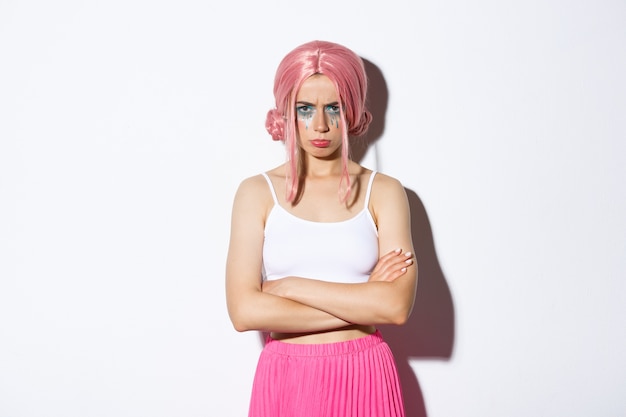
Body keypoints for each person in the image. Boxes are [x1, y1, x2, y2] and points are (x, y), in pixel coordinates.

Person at [225, 40, 418, 417]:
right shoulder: (256, 193)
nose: (321, 125)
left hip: (365, 372)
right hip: (288, 375)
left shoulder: (385, 192)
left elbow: (395, 307)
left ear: (353, 109)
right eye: (305, 109)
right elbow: (244, 312)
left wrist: (292, 288)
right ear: (286, 112)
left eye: (334, 107)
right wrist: (365, 301)